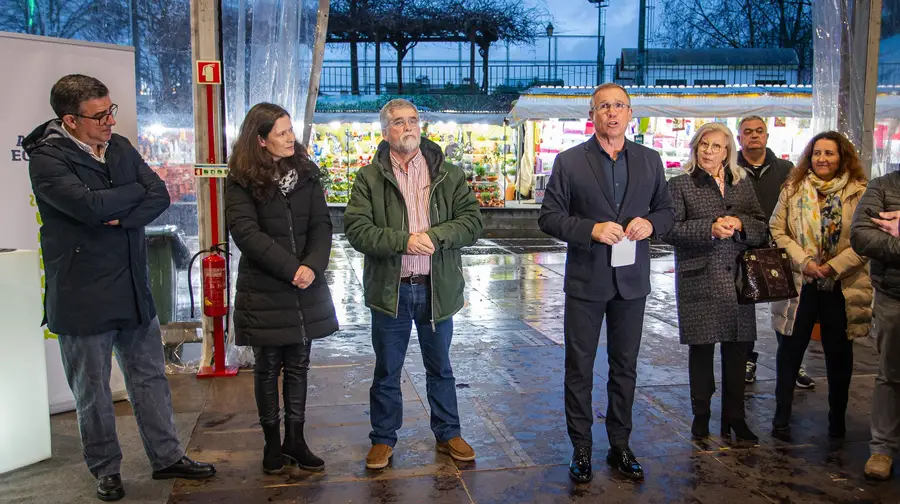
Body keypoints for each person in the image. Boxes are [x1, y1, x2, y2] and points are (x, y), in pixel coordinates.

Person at [24, 74, 215, 502]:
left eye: (111, 110)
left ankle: (167, 457)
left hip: (132, 288)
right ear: (70, 120)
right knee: (92, 391)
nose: (110, 120)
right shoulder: (47, 159)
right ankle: (106, 470)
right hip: (81, 295)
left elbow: (159, 194)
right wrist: (126, 196)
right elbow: (89, 207)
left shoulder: (122, 147)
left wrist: (120, 211)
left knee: (150, 379)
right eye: (99, 115)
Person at [538, 83, 675, 483]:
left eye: (619, 106)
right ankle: (581, 446)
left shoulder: (650, 161)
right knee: (579, 367)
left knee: (625, 367)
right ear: (592, 115)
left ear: (630, 114)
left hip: (632, 282)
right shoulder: (570, 161)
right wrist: (591, 229)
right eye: (603, 107)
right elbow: (549, 217)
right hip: (586, 280)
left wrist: (651, 223)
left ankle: (620, 444)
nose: (611, 113)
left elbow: (666, 210)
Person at [344, 99, 484, 470]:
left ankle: (448, 432)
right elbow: (357, 230)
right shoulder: (368, 178)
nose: (408, 127)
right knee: (387, 369)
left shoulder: (448, 174)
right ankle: (383, 439)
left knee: (440, 367)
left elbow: (472, 221)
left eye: (413, 120)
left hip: (436, 289)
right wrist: (402, 241)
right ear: (385, 132)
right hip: (391, 291)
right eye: (399, 122)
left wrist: (436, 236)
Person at [225, 103, 339, 475]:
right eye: (282, 133)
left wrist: (313, 266)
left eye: (291, 130)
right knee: (267, 366)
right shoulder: (242, 178)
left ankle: (296, 440)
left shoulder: (306, 173)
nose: (292, 138)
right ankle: (272, 444)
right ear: (261, 140)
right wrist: (293, 269)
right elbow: (246, 233)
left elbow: (323, 224)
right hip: (265, 288)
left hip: (305, 286)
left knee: (299, 366)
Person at [661, 122, 767, 444]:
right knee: (702, 350)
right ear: (695, 147)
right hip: (700, 277)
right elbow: (669, 231)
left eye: (716, 146)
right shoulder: (679, 184)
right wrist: (709, 228)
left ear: (727, 151)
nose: (709, 151)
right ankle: (701, 415)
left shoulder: (742, 183)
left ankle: (736, 417)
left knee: (738, 351)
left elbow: (762, 227)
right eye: (704, 145)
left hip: (737, 280)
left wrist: (740, 224)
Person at [769, 131, 872, 442]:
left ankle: (837, 421)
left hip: (843, 285)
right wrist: (805, 262)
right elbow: (777, 228)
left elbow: (868, 239)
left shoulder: (862, 192)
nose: (822, 159)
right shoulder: (793, 187)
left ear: (842, 157)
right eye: (817, 153)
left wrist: (833, 267)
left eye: (829, 153)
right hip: (802, 283)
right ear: (808, 157)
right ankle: (781, 417)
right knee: (789, 350)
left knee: (839, 355)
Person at [736, 116, 815, 389]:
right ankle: (746, 359)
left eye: (759, 131)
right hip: (741, 245)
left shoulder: (786, 169)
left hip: (778, 246)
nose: (754, 136)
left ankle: (793, 363)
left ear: (767, 137)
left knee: (786, 309)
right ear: (739, 138)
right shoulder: (729, 167)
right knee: (743, 308)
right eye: (748, 132)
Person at [850, 169, 900, 480]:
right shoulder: (883, 186)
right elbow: (861, 235)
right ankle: (882, 447)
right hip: (895, 295)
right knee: (891, 373)